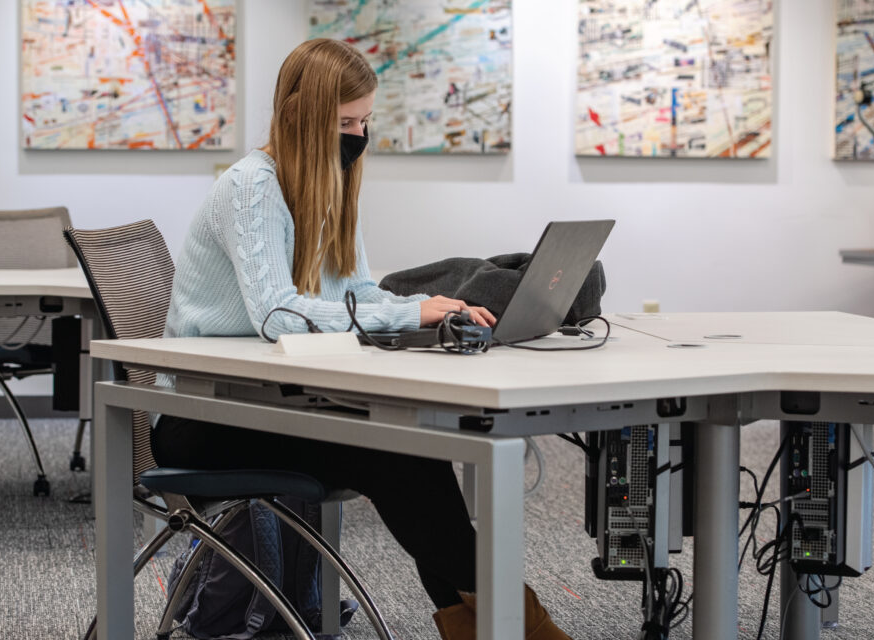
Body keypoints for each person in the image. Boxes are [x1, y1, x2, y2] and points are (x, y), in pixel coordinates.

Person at [150, 38, 570, 640]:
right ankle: (513, 620)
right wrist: (404, 318)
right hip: (205, 414)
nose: (358, 135)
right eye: (345, 122)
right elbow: (278, 315)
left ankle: (491, 620)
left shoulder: (326, 186)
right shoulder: (254, 186)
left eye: (365, 120)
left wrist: (426, 310)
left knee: (406, 447)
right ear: (299, 116)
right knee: (393, 453)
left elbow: (358, 292)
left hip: (271, 400)